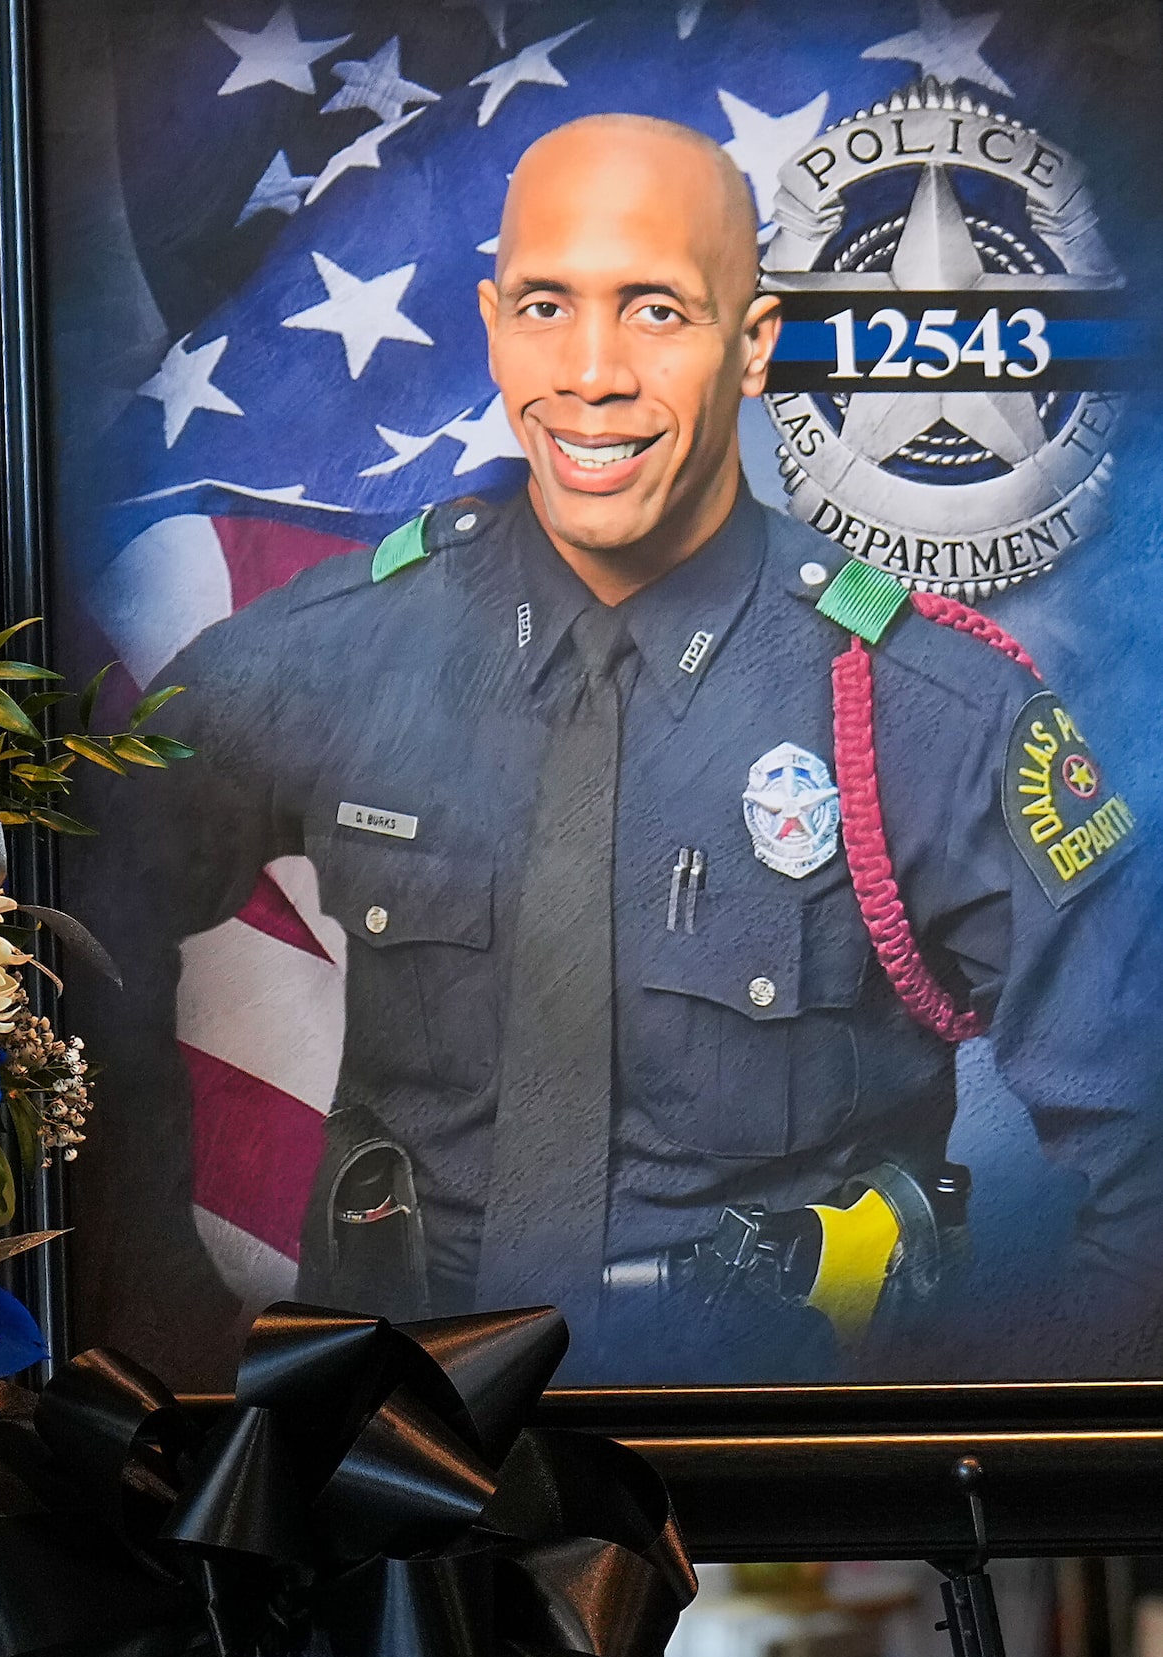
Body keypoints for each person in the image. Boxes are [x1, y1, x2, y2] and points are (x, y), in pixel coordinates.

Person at [132, 115, 1163, 1380]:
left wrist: (975, 1460)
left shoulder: (920, 710)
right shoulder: (333, 653)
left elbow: (1145, 1146)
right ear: (493, 322)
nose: (592, 373)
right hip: (399, 1474)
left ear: (754, 346)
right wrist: (169, 1335)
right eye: (546, 306)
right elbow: (60, 926)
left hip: (781, 1480)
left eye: (657, 311)